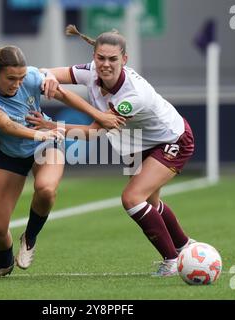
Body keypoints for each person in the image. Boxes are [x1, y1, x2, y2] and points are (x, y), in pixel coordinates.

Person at [35, 25, 196, 277]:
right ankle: (185, 246)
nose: (105, 64)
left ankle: (172, 260)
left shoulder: (132, 95)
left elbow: (93, 131)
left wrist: (51, 126)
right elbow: (45, 72)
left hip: (171, 139)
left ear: (125, 59)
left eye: (112, 59)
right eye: (101, 58)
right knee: (151, 202)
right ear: (94, 57)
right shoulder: (90, 71)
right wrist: (46, 76)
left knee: (132, 198)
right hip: (137, 141)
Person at [0, 45, 125, 279]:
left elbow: (64, 95)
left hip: (46, 144)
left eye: (21, 78)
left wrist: (99, 115)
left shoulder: (32, 77)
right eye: (11, 78)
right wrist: (37, 134)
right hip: (12, 151)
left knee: (45, 189)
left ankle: (29, 238)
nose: (17, 84)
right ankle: (4, 263)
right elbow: (3, 124)